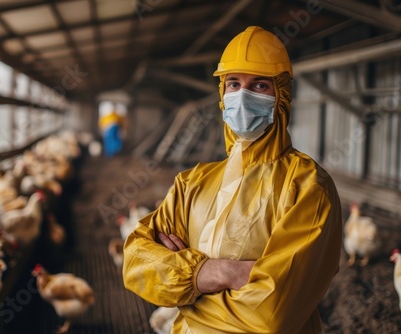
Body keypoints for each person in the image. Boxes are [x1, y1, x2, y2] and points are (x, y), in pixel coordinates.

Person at [123, 26, 342, 333]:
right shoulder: (192, 183)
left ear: (282, 95)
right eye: (234, 84)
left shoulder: (307, 187)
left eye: (260, 86)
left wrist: (185, 295)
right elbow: (135, 262)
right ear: (222, 95)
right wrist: (216, 272)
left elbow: (270, 315)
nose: (243, 96)